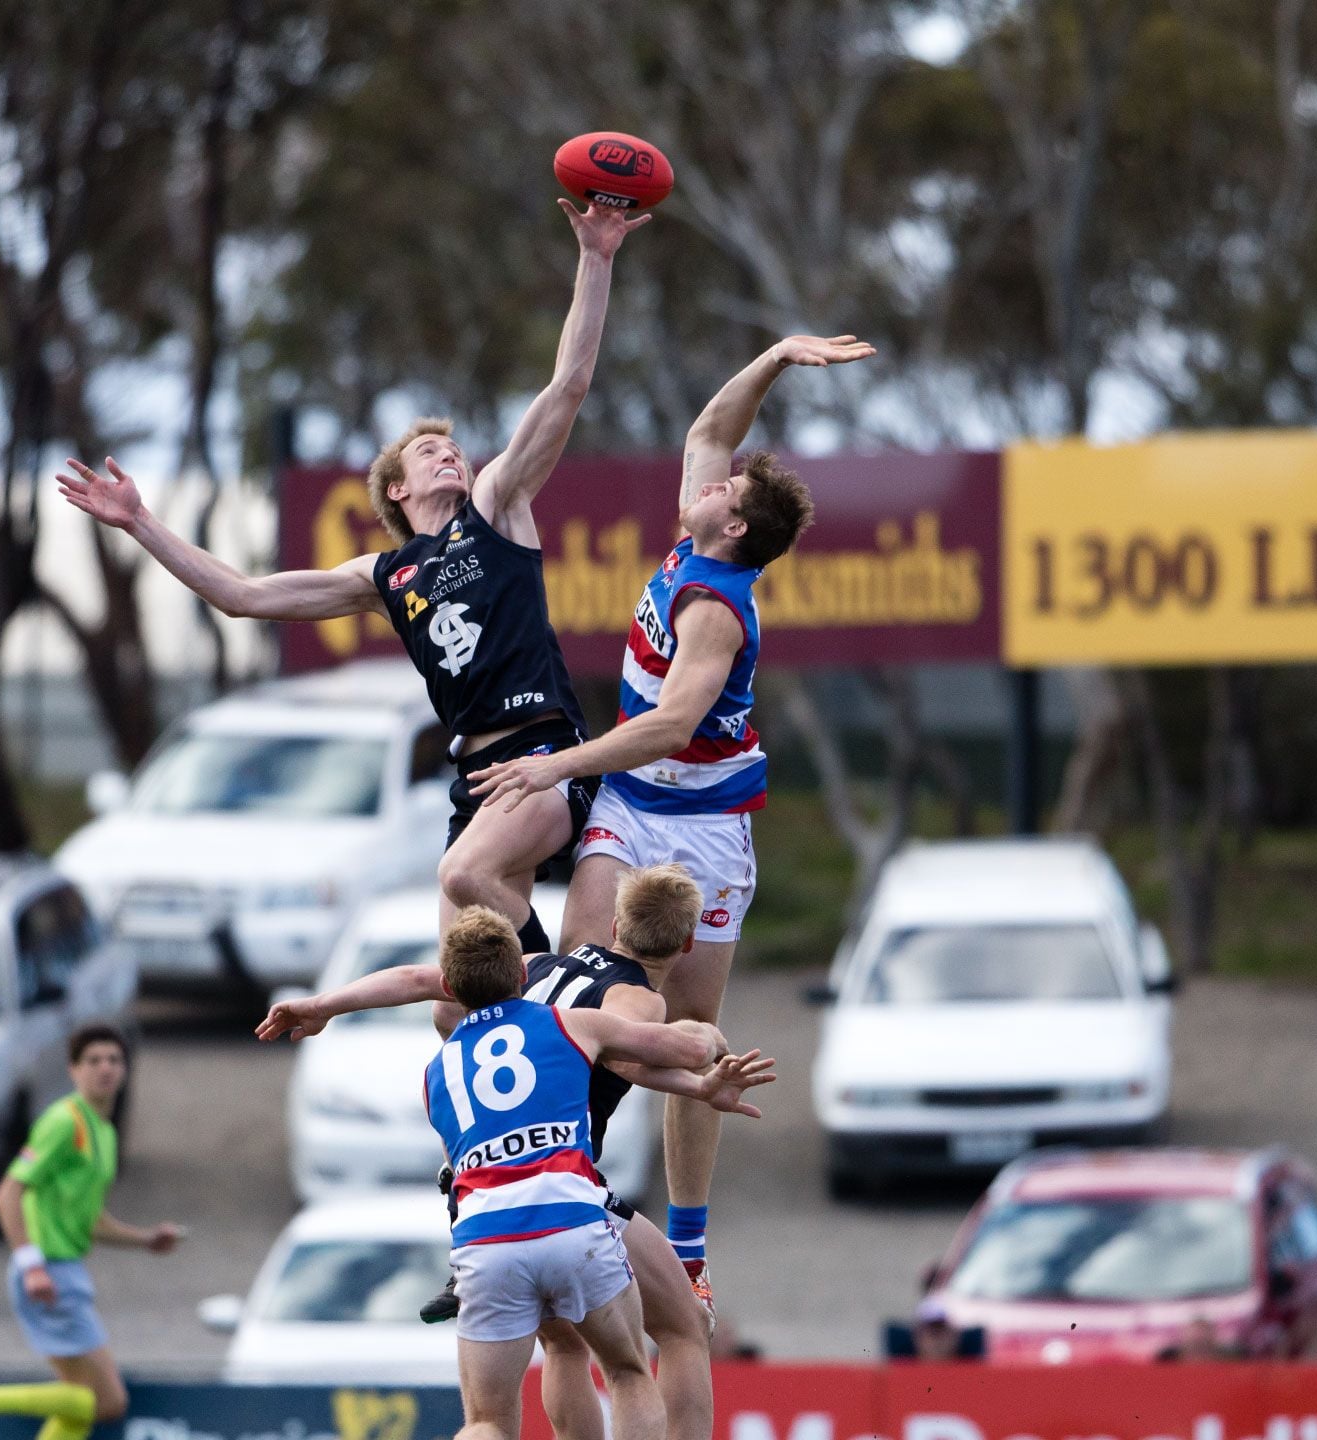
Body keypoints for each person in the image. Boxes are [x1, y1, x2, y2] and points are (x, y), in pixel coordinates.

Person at [57, 200, 652, 957]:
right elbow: (241, 597)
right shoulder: (383, 574)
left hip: (542, 754)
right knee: (455, 996)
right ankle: (544, 992)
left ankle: (561, 987)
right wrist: (141, 521)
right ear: (395, 490)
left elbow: (567, 386)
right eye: (428, 451)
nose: (450, 454)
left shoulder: (498, 507)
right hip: (473, 777)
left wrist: (596, 259)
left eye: (454, 448)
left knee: (465, 875)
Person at [470, 332, 874, 1306]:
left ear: (732, 527)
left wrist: (553, 766)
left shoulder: (715, 608)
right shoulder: (700, 534)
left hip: (703, 830)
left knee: (691, 1029)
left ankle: (688, 1245)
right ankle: (553, 1179)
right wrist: (774, 359)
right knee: (578, 987)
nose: (709, 482)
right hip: (632, 809)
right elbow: (708, 429)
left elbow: (670, 726)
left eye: (726, 491)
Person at [259, 864, 772, 1440]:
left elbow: (412, 978)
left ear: (614, 924)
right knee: (676, 1331)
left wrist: (324, 1004)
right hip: (571, 1197)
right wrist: (707, 1047)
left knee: (539, 1366)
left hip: (481, 1221)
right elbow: (635, 1056)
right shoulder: (608, 1011)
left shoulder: (501, 1005)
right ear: (686, 943)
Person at [418, 906, 753, 1440]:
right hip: (572, 1213)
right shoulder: (567, 1020)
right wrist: (709, 1047)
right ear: (522, 971)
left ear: (449, 987)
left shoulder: (437, 1074)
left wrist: (322, 1005)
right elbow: (678, 1048)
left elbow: (454, 1168)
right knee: (633, 1367)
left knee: (489, 1418)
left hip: (486, 1238)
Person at [0, 1024, 183, 1440]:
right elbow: (7, 1194)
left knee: (81, 1405)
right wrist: (32, 1266)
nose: (105, 1068)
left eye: (114, 1060)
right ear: (73, 1070)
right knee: (107, 1401)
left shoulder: (105, 1133)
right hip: (49, 1274)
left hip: (66, 1271)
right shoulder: (64, 1121)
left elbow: (91, 1219)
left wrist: (146, 1240)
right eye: (94, 1060)